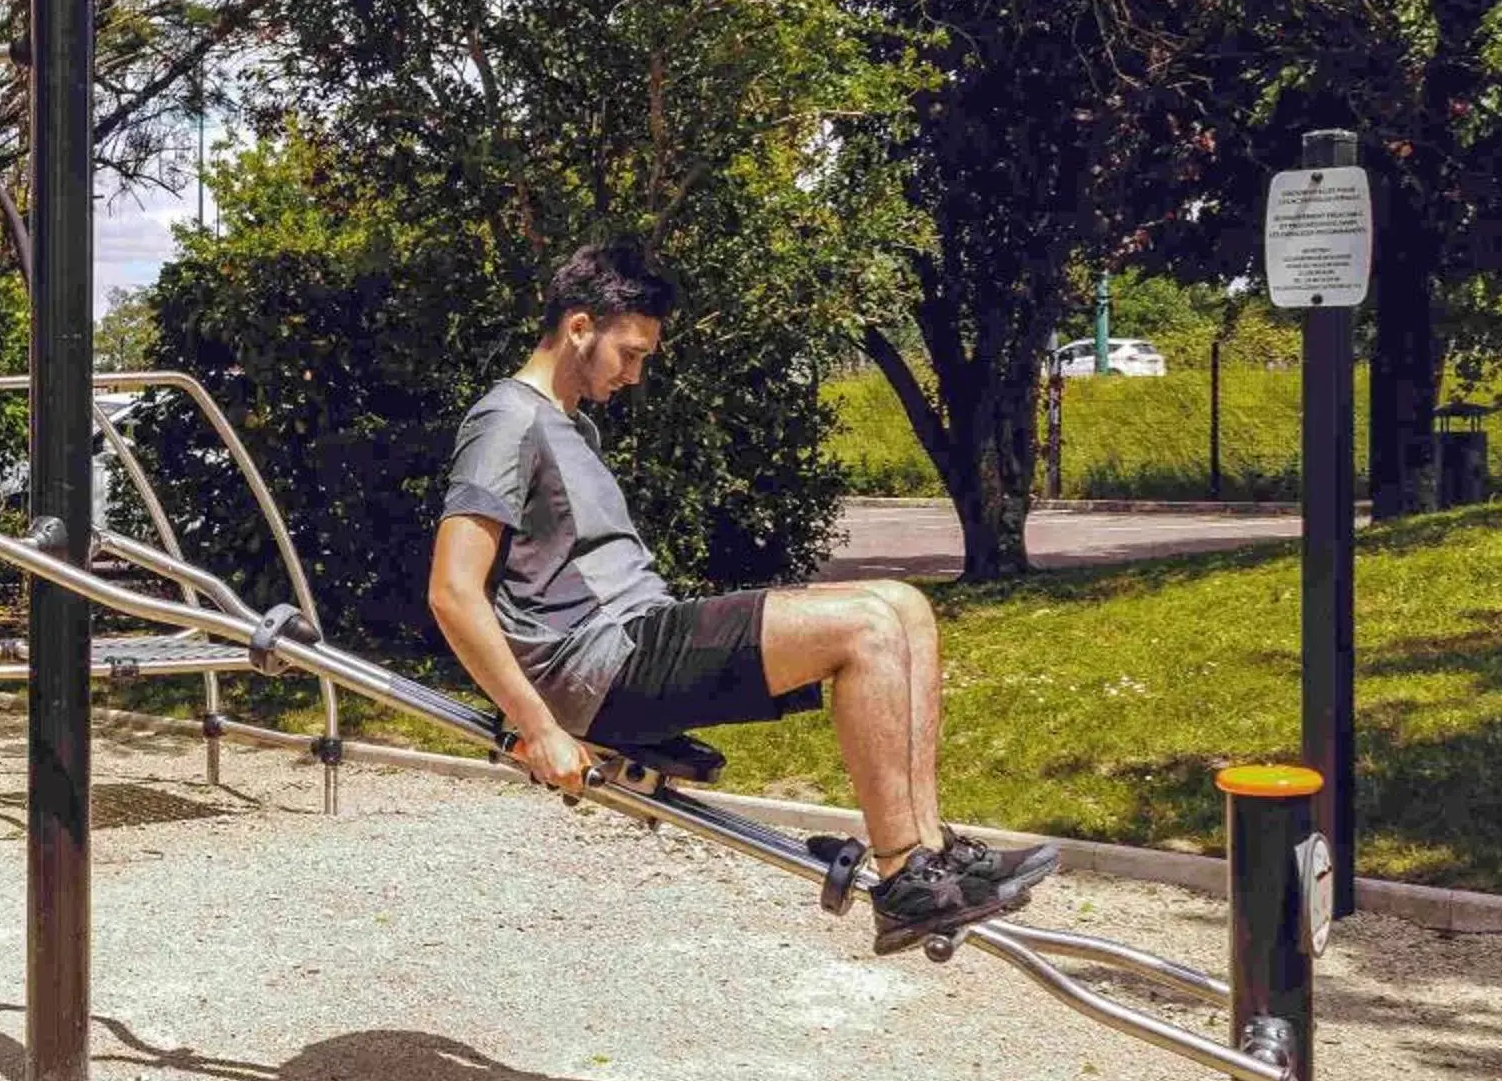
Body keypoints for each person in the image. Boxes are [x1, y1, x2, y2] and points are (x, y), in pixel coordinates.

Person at [427, 237, 1059, 955]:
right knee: (865, 628)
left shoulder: (575, 426)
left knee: (903, 606)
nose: (634, 374)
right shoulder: (507, 417)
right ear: (579, 327)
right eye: (629, 353)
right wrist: (537, 726)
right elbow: (453, 590)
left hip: (635, 636)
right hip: (599, 663)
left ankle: (930, 851)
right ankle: (906, 872)